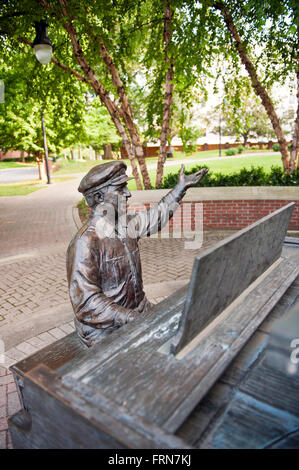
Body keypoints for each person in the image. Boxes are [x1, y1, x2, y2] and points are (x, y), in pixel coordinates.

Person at [66, 161, 208, 347]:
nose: (128, 193)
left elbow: (155, 216)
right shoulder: (85, 242)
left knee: (180, 338)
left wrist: (179, 189)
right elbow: (86, 304)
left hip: (138, 311)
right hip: (104, 329)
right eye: (120, 188)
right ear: (99, 197)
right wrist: (130, 317)